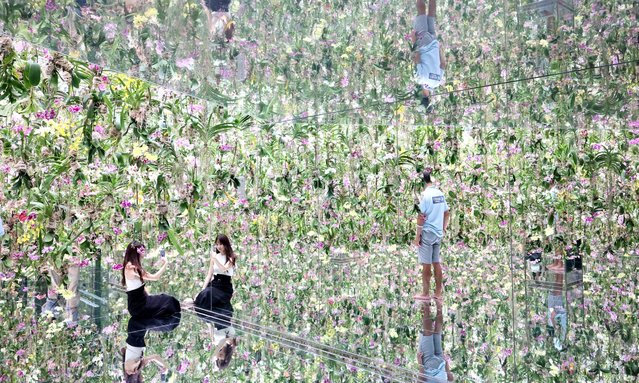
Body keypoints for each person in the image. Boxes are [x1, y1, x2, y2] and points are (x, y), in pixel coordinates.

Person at [122, 241, 181, 319]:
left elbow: (140, 287)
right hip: (139, 308)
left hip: (139, 304)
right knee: (168, 301)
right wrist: (165, 263)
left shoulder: (132, 266)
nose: (144, 253)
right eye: (142, 251)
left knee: (165, 298)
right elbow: (155, 277)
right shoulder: (131, 267)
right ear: (136, 253)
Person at [414, 171, 450, 300]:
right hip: (438, 234)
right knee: (436, 262)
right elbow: (447, 213)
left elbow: (420, 217)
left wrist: (417, 236)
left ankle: (425, 293)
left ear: (422, 182)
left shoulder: (425, 196)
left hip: (427, 232)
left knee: (426, 264)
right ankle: (438, 293)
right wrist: (443, 229)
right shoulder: (440, 194)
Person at [191, 234, 236, 328]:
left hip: (224, 287)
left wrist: (215, 258)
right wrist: (202, 289)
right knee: (205, 293)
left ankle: (208, 316)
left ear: (225, 244)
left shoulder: (231, 257)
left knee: (208, 293)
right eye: (217, 244)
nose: (218, 247)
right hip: (215, 284)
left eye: (220, 244)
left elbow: (224, 269)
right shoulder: (214, 257)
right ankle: (204, 315)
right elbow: (209, 275)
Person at [122, 314, 180, 383]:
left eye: (141, 381)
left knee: (168, 324)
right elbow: (155, 357)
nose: (143, 379)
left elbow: (135, 362)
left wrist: (138, 368)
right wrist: (165, 366)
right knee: (169, 324)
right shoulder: (138, 367)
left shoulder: (128, 369)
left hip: (136, 327)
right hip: (140, 329)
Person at [411, 0, 446, 109]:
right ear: (421, 95)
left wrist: (439, 49)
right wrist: (414, 41)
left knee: (431, 16)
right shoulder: (420, 79)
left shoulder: (437, 82)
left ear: (430, 97)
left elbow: (443, 64)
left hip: (434, 44)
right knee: (421, 12)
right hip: (423, 44)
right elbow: (417, 58)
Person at [417, 301, 454, 382]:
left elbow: (451, 379)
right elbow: (421, 379)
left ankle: (439, 303)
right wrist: (420, 363)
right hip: (430, 368)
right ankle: (426, 302)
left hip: (441, 364)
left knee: (437, 333)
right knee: (427, 332)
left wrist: (446, 365)